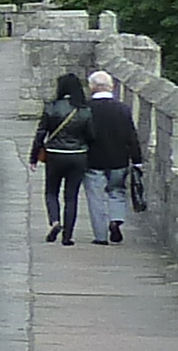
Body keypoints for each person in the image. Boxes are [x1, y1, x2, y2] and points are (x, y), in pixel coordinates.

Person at [83, 69, 145, 246]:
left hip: (92, 160)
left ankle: (100, 236)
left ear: (92, 87)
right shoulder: (122, 109)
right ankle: (116, 220)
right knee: (117, 191)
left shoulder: (86, 109)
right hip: (119, 159)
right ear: (112, 87)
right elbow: (131, 136)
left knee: (95, 198)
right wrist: (137, 160)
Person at [29, 72, 92, 243]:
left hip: (55, 155)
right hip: (78, 156)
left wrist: (33, 157)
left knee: (51, 191)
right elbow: (91, 135)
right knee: (71, 196)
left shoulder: (51, 107)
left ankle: (55, 221)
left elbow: (41, 133)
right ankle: (68, 236)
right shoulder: (84, 110)